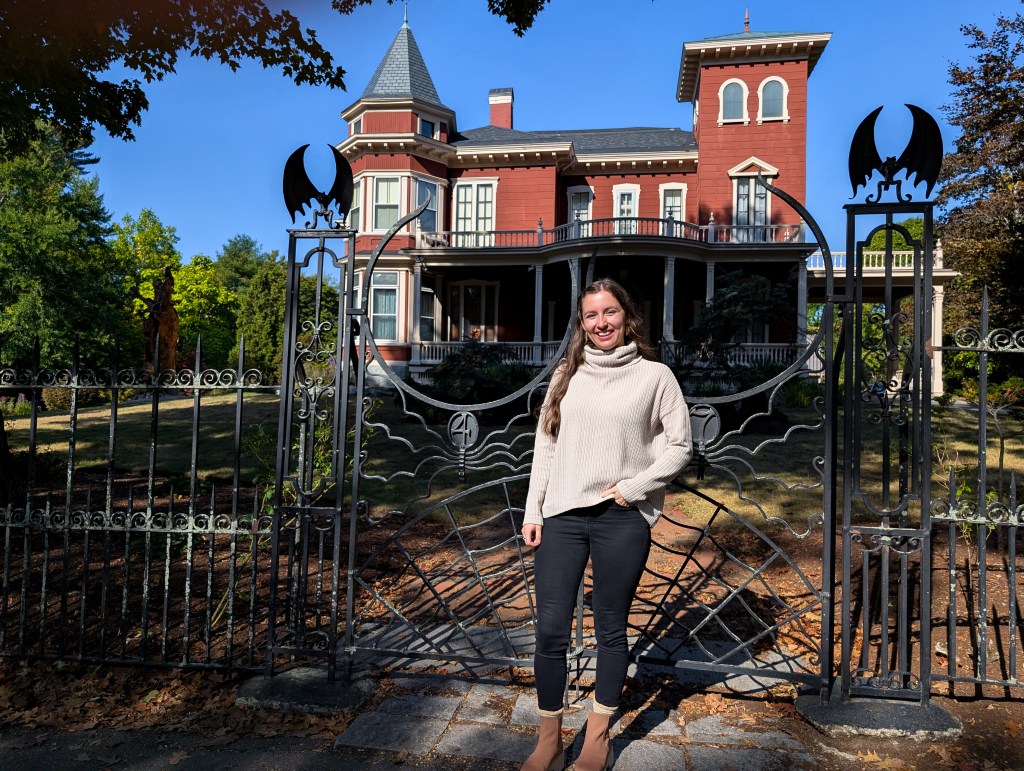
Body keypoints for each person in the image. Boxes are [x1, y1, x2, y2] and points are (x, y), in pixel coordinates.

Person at [520, 278, 693, 771]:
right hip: (563, 516)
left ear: (627, 315)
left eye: (610, 312)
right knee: (551, 629)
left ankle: (598, 736)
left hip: (620, 519)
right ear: (581, 323)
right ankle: (549, 740)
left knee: (611, 631)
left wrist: (635, 487)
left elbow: (679, 445)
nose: (601, 323)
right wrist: (534, 510)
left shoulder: (655, 377)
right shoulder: (565, 376)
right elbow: (546, 447)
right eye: (591, 315)